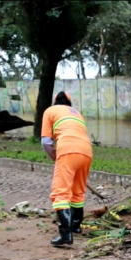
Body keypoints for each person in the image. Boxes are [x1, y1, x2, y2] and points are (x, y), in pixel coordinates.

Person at [41, 91, 93, 247]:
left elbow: (46, 142)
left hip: (67, 150)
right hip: (86, 152)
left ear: (54, 100)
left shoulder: (50, 111)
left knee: (60, 192)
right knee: (78, 190)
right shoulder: (77, 114)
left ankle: (65, 234)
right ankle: (76, 226)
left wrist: (55, 157)